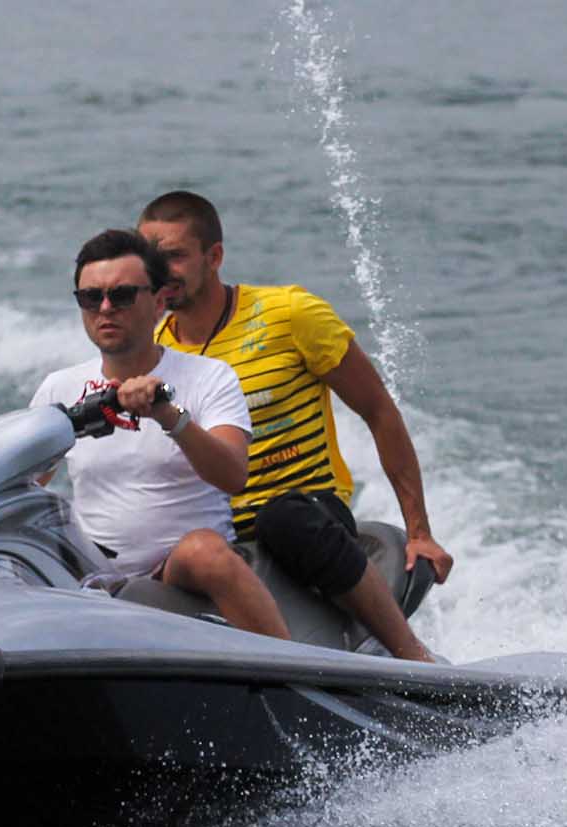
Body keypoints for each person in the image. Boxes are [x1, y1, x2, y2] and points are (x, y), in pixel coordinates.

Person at [138, 191, 454, 663]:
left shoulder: (290, 315)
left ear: (214, 256)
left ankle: (411, 655)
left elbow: (379, 411)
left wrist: (420, 532)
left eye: (175, 256)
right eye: (150, 260)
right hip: (217, 538)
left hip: (307, 514)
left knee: (281, 517)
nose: (161, 272)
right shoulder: (152, 353)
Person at [30, 228, 291, 641]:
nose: (105, 308)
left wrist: (169, 416)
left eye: (122, 296)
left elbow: (233, 474)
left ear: (158, 302)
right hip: (93, 573)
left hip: (181, 569)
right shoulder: (58, 388)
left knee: (205, 552)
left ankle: (292, 665)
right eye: (90, 297)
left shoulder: (209, 377)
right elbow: (24, 483)